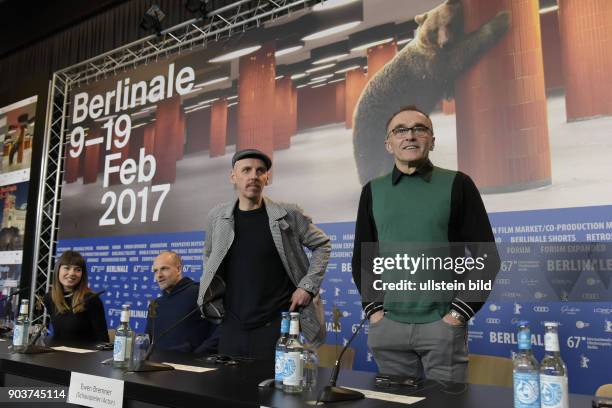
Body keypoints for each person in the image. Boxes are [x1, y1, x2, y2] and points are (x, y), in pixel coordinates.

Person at [352, 105, 499, 382]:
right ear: (388, 143)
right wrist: (375, 312)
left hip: (442, 325)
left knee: (447, 403)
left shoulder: (458, 184)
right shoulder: (372, 191)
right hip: (388, 327)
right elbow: (363, 259)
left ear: (432, 140)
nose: (410, 136)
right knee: (393, 403)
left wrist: (458, 314)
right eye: (400, 130)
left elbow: (487, 258)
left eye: (419, 129)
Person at [197, 149, 330, 361]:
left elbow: (323, 244)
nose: (253, 176)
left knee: (274, 391)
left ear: (267, 178)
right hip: (232, 325)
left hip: (276, 325)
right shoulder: (217, 217)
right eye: (246, 170)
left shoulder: (288, 214)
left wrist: (308, 286)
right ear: (233, 176)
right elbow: (209, 256)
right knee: (226, 389)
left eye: (260, 171)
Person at [145, 251, 218, 353]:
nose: (159, 275)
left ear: (178, 269)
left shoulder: (200, 293)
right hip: (156, 366)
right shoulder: (154, 304)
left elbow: (219, 331)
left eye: (164, 269)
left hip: (190, 366)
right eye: (155, 271)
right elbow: (147, 340)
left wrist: (196, 357)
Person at [43, 250, 109, 344]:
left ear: (82, 274)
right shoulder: (49, 298)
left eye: (77, 269)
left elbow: (103, 340)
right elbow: (59, 334)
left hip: (85, 356)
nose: (72, 273)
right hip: (57, 354)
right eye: (67, 268)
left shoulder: (91, 299)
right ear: (58, 270)